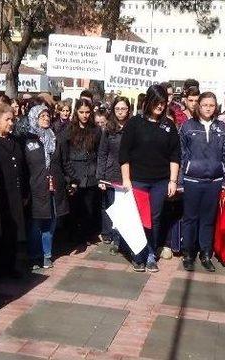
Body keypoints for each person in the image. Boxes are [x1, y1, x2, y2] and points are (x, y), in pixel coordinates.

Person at [119, 85, 180, 272]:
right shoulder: (134, 123)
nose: (160, 106)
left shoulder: (169, 126)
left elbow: (175, 155)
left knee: (154, 218)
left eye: (163, 103)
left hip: (160, 181)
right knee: (138, 218)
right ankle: (138, 255)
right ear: (148, 101)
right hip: (137, 180)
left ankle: (151, 254)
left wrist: (173, 180)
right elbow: (124, 154)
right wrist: (126, 179)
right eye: (157, 102)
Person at [179, 92, 225, 272]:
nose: (208, 108)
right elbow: (181, 155)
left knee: (208, 220)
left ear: (216, 107)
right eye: (204, 105)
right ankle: (188, 253)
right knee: (190, 219)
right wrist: (179, 181)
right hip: (192, 180)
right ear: (198, 106)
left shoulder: (222, 127)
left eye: (211, 105)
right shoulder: (187, 126)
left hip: (214, 181)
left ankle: (206, 253)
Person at [23, 105, 71, 268]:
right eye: (41, 116)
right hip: (35, 188)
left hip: (54, 187)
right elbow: (24, 167)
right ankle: (34, 255)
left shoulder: (55, 139)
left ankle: (47, 254)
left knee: (51, 223)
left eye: (47, 116)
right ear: (34, 118)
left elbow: (64, 163)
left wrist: (68, 180)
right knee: (36, 223)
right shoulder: (28, 140)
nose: (46, 119)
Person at [0, 103, 26, 279]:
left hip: (15, 193)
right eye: (7, 119)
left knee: (13, 230)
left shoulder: (14, 142)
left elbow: (23, 168)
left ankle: (10, 265)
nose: (11, 123)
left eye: (12, 119)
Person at [62, 98, 102, 243]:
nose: (84, 115)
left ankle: (86, 235)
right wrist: (71, 176)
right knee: (74, 209)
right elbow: (65, 155)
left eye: (87, 112)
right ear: (76, 112)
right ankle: (73, 236)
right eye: (81, 112)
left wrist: (96, 172)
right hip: (74, 174)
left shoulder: (96, 130)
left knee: (89, 208)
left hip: (90, 175)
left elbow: (99, 153)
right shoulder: (69, 130)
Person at [97, 97, 130, 255]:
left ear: (128, 110)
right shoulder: (108, 129)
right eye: (117, 109)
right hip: (111, 174)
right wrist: (101, 177)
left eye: (123, 109)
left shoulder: (133, 127)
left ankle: (126, 239)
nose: (120, 112)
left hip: (129, 174)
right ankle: (116, 240)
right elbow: (102, 153)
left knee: (127, 209)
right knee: (114, 208)